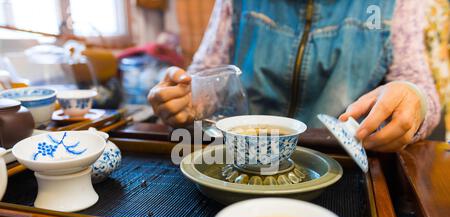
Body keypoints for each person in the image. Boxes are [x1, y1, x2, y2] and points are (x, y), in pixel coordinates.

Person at [149, 0, 443, 152]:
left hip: (339, 165)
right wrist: (185, 99)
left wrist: (413, 100)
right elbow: (206, 75)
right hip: (238, 156)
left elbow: (419, 86)